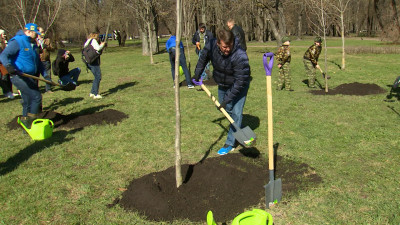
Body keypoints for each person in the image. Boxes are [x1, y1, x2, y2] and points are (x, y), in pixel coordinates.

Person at [193, 28, 251, 155]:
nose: (227, 49)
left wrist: (227, 100)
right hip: (223, 82)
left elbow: (240, 81)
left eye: (230, 46)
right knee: (226, 110)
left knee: (236, 113)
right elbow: (203, 58)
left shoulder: (240, 55)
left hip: (240, 84)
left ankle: (230, 143)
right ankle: (236, 128)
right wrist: (197, 74)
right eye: (225, 47)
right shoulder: (211, 45)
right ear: (218, 43)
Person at [0, 23, 47, 128]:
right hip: (18, 76)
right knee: (36, 96)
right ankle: (31, 123)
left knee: (27, 100)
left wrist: (46, 75)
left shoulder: (33, 44)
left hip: (30, 76)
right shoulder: (17, 41)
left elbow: (38, 62)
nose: (37, 35)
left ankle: (26, 124)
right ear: (29, 32)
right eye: (36, 33)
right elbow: (3, 55)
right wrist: (8, 66)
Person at [83, 32, 105, 99]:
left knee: (96, 77)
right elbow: (98, 48)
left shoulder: (87, 41)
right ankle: (95, 94)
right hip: (93, 61)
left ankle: (92, 92)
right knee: (98, 76)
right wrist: (102, 45)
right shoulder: (93, 41)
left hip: (88, 61)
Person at [0, 29, 18, 99]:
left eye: (4, 34)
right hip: (1, 63)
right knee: (3, 79)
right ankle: (7, 92)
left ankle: (9, 91)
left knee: (7, 77)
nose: (4, 35)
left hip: (5, 62)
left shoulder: (6, 42)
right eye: (2, 34)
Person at [37, 27, 55, 93]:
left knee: (47, 75)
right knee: (36, 76)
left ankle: (48, 89)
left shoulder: (47, 40)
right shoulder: (35, 41)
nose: (43, 33)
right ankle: (36, 89)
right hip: (38, 60)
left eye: (43, 31)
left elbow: (53, 49)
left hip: (46, 60)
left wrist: (47, 47)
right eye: (41, 32)